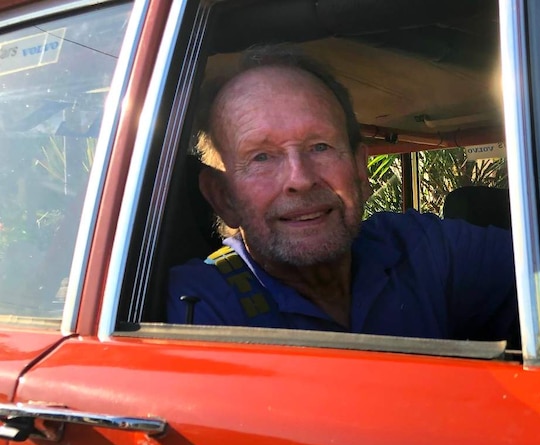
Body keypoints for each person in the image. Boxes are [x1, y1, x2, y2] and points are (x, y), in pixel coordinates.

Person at [167, 45, 518, 342]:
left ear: (361, 170)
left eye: (320, 146)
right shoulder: (195, 308)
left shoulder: (421, 249)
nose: (300, 179)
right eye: (261, 157)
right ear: (223, 197)